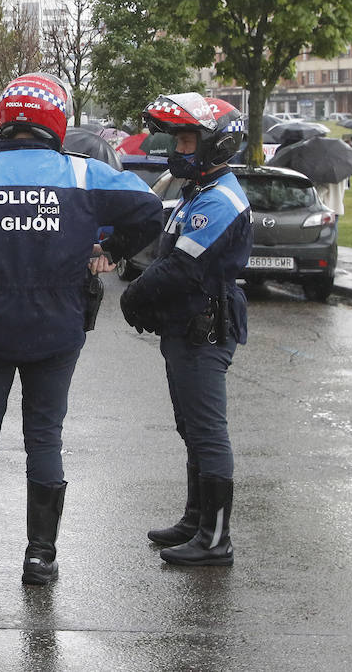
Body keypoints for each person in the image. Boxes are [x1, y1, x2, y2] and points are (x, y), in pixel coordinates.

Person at [0, 73, 162, 586]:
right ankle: (40, 558)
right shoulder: (85, 176)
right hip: (59, 327)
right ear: (58, 121)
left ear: (3, 121)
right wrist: (110, 252)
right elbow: (149, 210)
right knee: (45, 436)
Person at [120, 93, 252, 567]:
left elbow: (179, 266)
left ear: (216, 145)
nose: (179, 149)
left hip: (206, 327)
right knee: (191, 428)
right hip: (187, 326)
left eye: (189, 140)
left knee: (207, 431)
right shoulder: (198, 192)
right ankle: (196, 519)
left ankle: (216, 538)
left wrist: (136, 294)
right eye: (176, 139)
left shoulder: (220, 200)